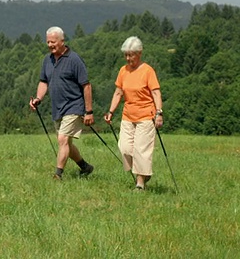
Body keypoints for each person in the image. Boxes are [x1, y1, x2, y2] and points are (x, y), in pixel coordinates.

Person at [29, 26, 95, 180]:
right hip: (57, 108)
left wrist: (89, 111)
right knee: (66, 143)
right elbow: (43, 82)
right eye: (48, 42)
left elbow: (86, 85)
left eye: (53, 42)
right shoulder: (48, 60)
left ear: (62, 41)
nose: (50, 45)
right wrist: (38, 98)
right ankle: (85, 167)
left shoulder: (74, 59)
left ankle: (58, 175)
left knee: (62, 139)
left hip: (74, 106)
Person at [104, 36, 163, 191]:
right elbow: (118, 93)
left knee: (141, 150)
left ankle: (140, 183)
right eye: (126, 55)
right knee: (124, 148)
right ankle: (143, 173)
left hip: (146, 116)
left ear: (140, 53)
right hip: (128, 116)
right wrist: (110, 111)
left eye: (131, 55)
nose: (128, 58)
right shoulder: (123, 71)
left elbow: (156, 93)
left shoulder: (148, 71)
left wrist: (159, 113)